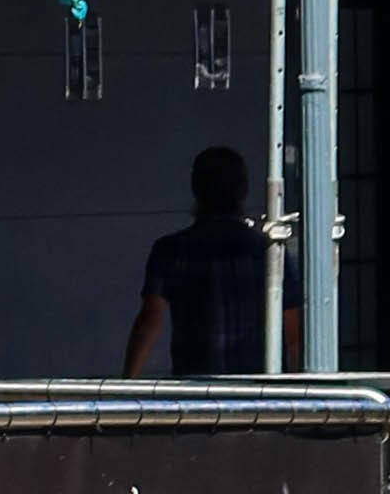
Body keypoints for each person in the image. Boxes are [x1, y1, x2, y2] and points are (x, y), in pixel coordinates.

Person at [123, 145, 296, 375]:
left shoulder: (171, 250)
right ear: (243, 190)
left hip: (196, 385)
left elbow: (150, 321)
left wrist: (128, 380)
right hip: (255, 387)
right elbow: (293, 328)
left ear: (196, 189)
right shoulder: (269, 252)